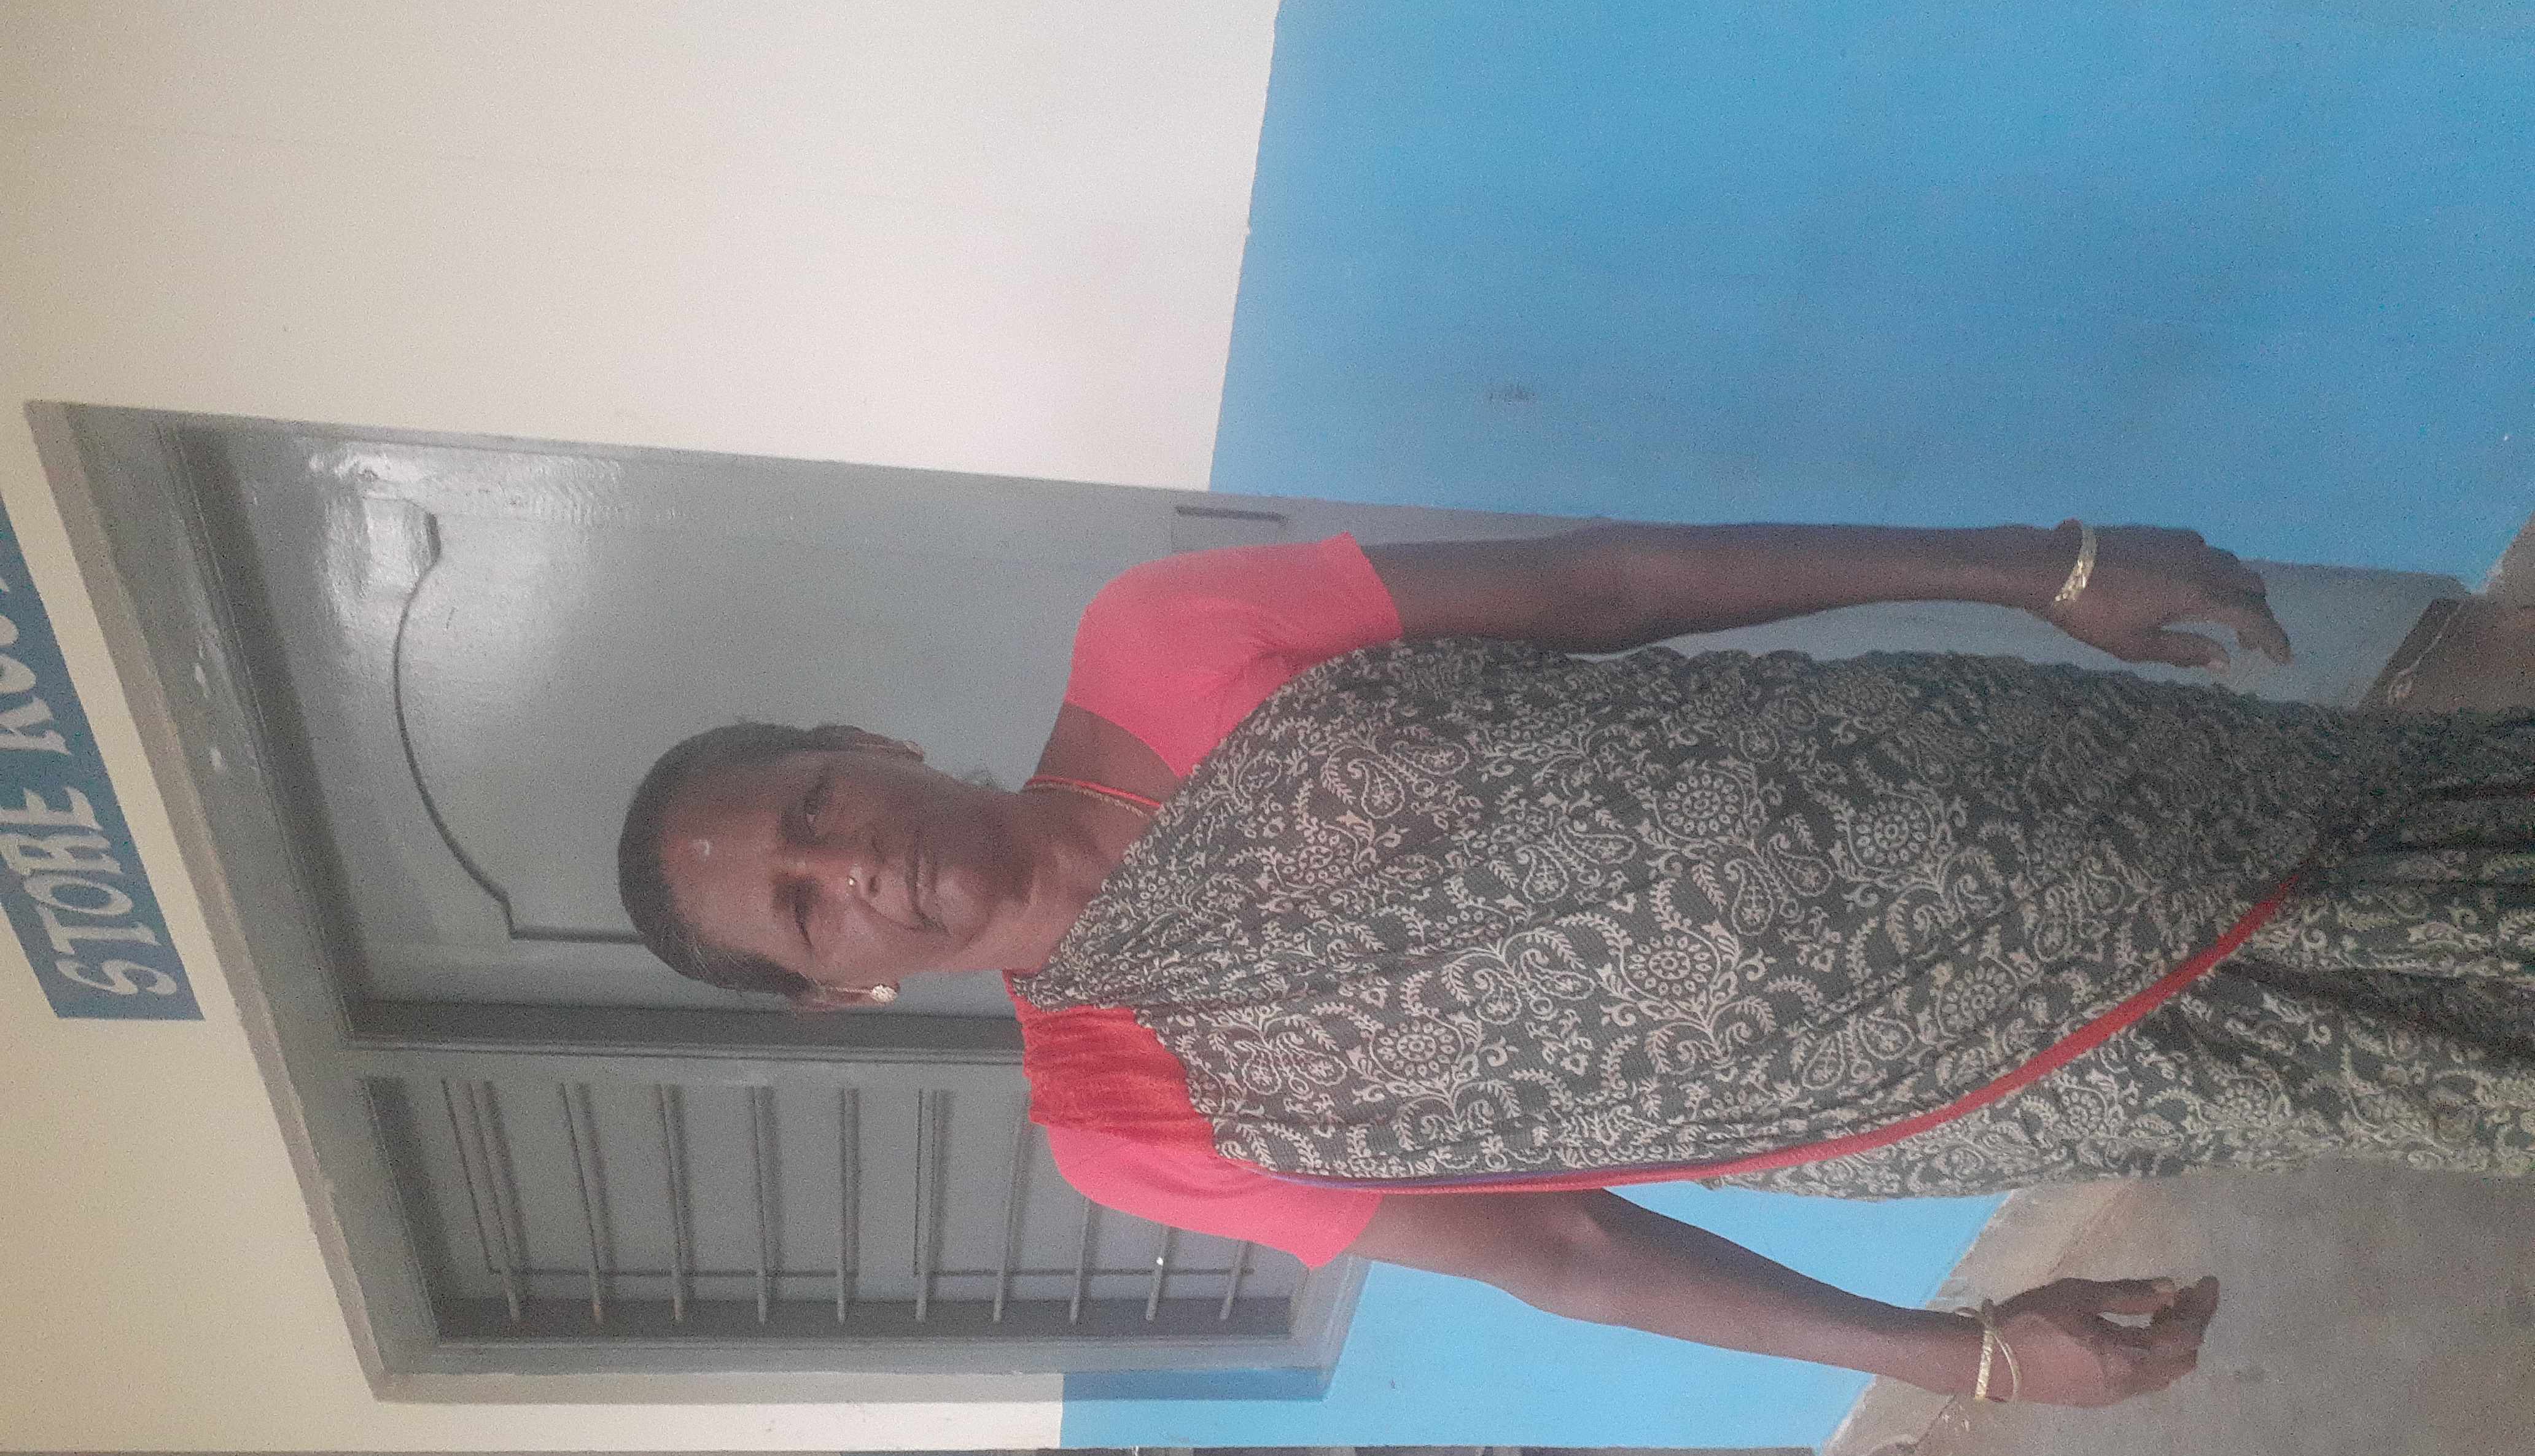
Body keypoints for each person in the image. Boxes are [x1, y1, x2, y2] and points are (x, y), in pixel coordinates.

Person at [618, 520, 2534, 1409]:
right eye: (803, 905)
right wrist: (1958, 1360)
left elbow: (1608, 587)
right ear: (839, 989)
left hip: (2038, 777)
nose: (850, 863)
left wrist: (2042, 567)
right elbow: (1562, 1248)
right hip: (1976, 1070)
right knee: (2438, 1067)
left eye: (812, 804)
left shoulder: (1160, 636)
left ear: (861, 739)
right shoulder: (1128, 1122)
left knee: (2457, 828)